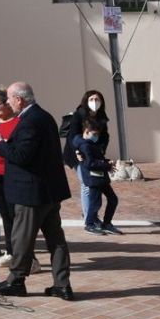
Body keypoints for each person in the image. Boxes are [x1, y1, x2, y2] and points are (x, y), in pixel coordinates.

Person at [0, 82, 74, 301]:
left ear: (19, 99)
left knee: (21, 239)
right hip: (49, 191)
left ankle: (16, 281)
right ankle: (62, 285)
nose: (7, 103)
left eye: (9, 99)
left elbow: (21, 156)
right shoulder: (43, 116)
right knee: (56, 240)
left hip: (32, 193)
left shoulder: (30, 121)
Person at [0, 89, 38, 270]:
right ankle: (11, 252)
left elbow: (16, 151)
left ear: (8, 103)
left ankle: (30, 259)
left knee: (17, 217)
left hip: (10, 175)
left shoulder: (18, 123)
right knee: (5, 215)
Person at [62, 90, 110, 225]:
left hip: (94, 155)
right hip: (77, 155)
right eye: (92, 99)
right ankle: (88, 217)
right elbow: (72, 136)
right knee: (86, 184)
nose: (95, 102)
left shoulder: (102, 116)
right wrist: (77, 151)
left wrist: (101, 150)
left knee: (95, 183)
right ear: (86, 101)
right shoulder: (79, 115)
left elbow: (105, 135)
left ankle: (91, 214)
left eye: (97, 99)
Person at [74, 118, 122, 235]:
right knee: (95, 203)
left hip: (101, 178)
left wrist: (107, 162)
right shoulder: (85, 146)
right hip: (93, 178)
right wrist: (106, 165)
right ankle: (89, 224)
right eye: (94, 134)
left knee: (113, 199)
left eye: (97, 134)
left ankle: (107, 223)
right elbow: (90, 163)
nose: (96, 136)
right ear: (86, 131)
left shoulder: (92, 144)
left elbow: (96, 159)